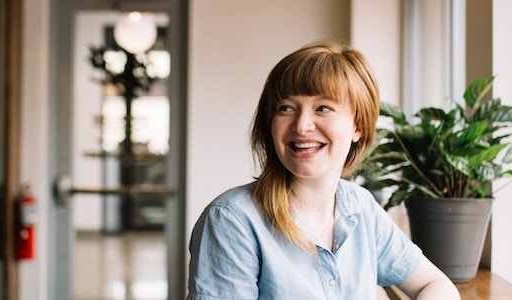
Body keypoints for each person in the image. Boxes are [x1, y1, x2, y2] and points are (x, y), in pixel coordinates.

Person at [187, 41, 460, 299]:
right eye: (286, 108)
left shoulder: (361, 206)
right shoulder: (232, 220)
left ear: (358, 126)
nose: (301, 125)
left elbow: (434, 284)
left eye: (323, 108)